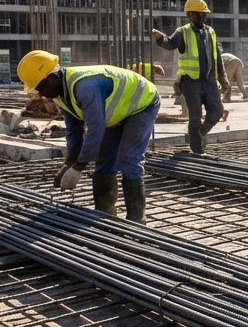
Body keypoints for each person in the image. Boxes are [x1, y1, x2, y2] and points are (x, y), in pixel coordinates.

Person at [17, 50, 160, 222]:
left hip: (142, 104)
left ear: (52, 76)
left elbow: (95, 129)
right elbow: (73, 129)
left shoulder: (86, 86)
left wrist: (78, 167)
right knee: (104, 159)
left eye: (40, 86)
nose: (40, 94)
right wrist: (69, 163)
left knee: (128, 158)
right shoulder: (59, 94)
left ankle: (137, 220)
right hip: (116, 113)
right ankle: (105, 214)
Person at [152, 0, 228, 155]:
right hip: (191, 83)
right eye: (200, 15)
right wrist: (160, 38)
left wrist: (223, 78)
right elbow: (170, 43)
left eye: (204, 15)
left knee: (217, 112)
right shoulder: (183, 32)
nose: (203, 18)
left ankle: (198, 134)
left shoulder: (210, 32)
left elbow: (217, 57)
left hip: (209, 81)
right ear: (190, 15)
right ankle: (197, 151)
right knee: (195, 118)